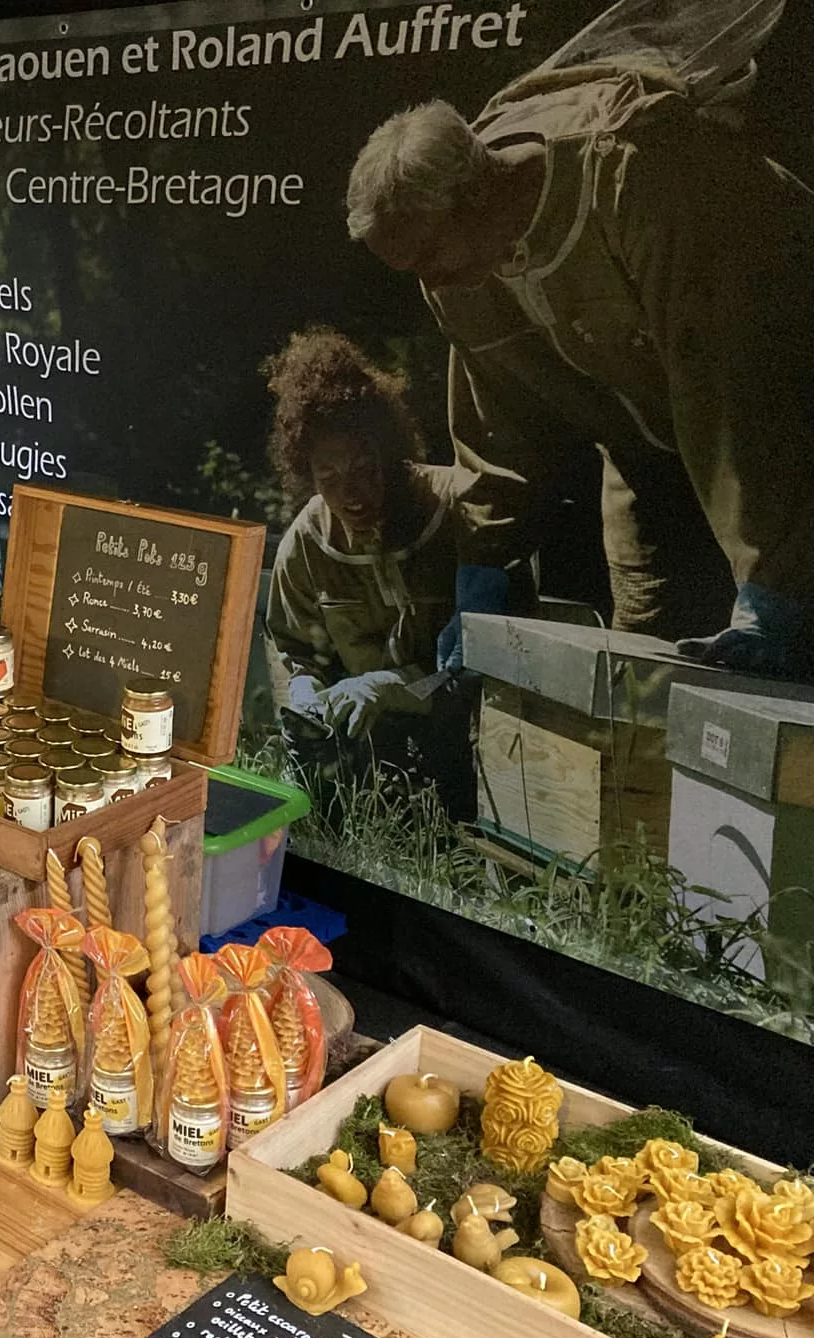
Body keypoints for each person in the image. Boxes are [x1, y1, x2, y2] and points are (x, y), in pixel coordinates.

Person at [344, 13, 814, 677]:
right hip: (650, 457)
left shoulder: (637, 176)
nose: (429, 282)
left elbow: (738, 391)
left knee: (779, 676)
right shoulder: (455, 268)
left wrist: (776, 590)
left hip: (784, 435)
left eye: (428, 256)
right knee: (641, 676)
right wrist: (484, 571)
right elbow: (498, 431)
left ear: (478, 193)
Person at [261, 329, 475, 815]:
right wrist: (305, 695)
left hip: (468, 746)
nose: (350, 493)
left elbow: (490, 651)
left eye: (363, 469)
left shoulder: (453, 508)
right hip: (374, 764)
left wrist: (398, 688)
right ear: (307, 474)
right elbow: (292, 649)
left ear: (389, 452)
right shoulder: (307, 541)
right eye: (329, 479)